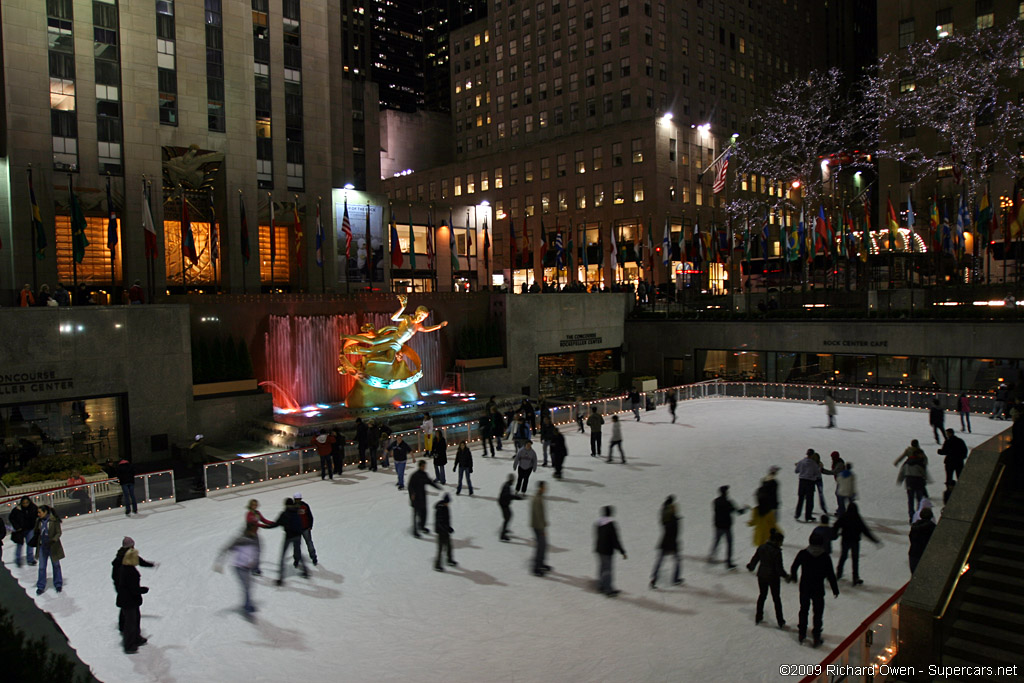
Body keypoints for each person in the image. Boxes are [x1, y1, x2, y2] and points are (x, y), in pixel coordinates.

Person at [789, 534, 840, 648]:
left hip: (805, 587)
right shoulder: (825, 557)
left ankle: (802, 634)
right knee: (817, 613)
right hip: (818, 588)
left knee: (804, 610)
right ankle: (816, 637)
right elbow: (830, 574)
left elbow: (794, 566)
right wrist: (835, 589)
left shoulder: (803, 553)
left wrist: (794, 576)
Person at [111, 537, 156, 633]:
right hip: (123, 584)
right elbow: (116, 574)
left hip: (122, 584)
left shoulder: (125, 554)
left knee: (126, 605)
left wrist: (150, 564)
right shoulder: (124, 556)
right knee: (128, 606)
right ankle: (128, 631)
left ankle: (123, 626)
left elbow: (139, 560)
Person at [747, 528, 788, 627]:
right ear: (777, 541)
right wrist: (786, 576)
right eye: (781, 542)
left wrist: (751, 566)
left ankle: (758, 616)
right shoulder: (777, 552)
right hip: (773, 577)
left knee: (762, 595)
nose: (781, 544)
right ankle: (780, 620)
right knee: (776, 599)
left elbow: (755, 559)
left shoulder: (762, 547)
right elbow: (779, 568)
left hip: (762, 575)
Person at [217, 524, 261, 617]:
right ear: (249, 531)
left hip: (247, 567)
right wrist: (219, 563)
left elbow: (257, 551)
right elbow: (226, 549)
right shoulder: (241, 540)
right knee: (246, 586)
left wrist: (255, 563)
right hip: (239, 567)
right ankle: (247, 606)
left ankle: (247, 604)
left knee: (248, 586)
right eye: (254, 530)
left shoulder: (255, 539)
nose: (256, 532)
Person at [833, 502, 880, 586]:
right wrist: (874, 540)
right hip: (855, 542)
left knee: (843, 557)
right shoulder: (857, 518)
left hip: (845, 540)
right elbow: (865, 530)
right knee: (855, 559)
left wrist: (834, 534)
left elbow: (836, 525)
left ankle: (838, 574)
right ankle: (855, 577)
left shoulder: (844, 516)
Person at [266, 498, 309, 585]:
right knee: (298, 553)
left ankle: (280, 578)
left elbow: (275, 524)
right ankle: (305, 571)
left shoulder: (285, 514)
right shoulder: (298, 511)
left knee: (282, 557)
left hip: (289, 537)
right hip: (297, 536)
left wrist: (263, 526)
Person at [118, 548, 149, 653]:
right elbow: (133, 589)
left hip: (130, 600)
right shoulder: (130, 572)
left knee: (135, 620)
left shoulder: (126, 568)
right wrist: (143, 590)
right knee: (130, 623)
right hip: (128, 601)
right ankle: (129, 645)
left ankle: (136, 638)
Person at [709, 485, 748, 569]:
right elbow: (738, 512)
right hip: (727, 526)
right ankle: (728, 562)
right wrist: (745, 509)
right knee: (729, 544)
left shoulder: (715, 501)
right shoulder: (728, 502)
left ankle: (712, 557)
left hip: (718, 525)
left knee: (716, 542)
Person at [650, 496, 682, 589]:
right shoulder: (673, 520)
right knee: (677, 561)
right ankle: (675, 579)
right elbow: (675, 532)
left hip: (664, 542)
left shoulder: (665, 517)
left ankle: (654, 579)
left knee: (660, 561)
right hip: (671, 543)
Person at [595, 506, 627, 596]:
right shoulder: (611, 525)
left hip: (599, 549)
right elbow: (615, 539)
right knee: (607, 570)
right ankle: (608, 589)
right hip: (607, 551)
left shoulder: (598, 523)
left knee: (602, 568)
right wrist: (622, 551)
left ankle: (601, 585)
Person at [895, 440, 929, 523]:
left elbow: (902, 470)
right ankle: (918, 515)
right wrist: (925, 479)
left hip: (909, 482)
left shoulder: (907, 462)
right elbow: (923, 472)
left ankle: (912, 515)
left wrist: (900, 479)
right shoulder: (920, 462)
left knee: (911, 500)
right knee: (919, 499)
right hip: (918, 482)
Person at [33, 505, 64, 595]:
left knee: (56, 565)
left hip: (53, 546)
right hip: (42, 547)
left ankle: (58, 583)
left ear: (45, 512)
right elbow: (36, 531)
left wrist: (53, 539)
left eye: (40, 512)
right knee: (42, 567)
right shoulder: (38, 521)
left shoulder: (54, 521)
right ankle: (41, 586)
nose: (38, 514)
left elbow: (58, 532)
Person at [409, 460, 442, 538]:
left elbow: (429, 482)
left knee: (424, 513)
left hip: (422, 497)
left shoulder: (424, 475)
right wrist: (412, 494)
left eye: (425, 466)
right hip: (416, 498)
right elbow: (410, 486)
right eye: (423, 466)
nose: (424, 468)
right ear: (420, 466)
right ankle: (415, 531)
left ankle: (422, 526)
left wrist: (437, 487)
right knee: (416, 515)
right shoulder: (415, 475)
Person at [750, 466, 780, 547]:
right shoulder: (774, 483)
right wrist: (776, 505)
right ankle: (772, 538)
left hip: (764, 506)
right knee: (772, 523)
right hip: (771, 506)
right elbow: (775, 495)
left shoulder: (763, 481)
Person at [244, 499, 273, 575]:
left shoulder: (257, 513)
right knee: (254, 551)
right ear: (250, 505)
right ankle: (253, 568)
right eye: (253, 505)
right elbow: (252, 524)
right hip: (249, 534)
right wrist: (263, 526)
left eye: (256, 505)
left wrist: (273, 523)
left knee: (257, 551)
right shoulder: (249, 514)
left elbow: (263, 520)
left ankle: (253, 567)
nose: (255, 506)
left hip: (255, 534)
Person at [10, 496, 38, 568]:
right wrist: (17, 527)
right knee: (19, 545)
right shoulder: (17, 510)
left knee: (30, 544)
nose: (25, 504)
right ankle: (18, 559)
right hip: (20, 530)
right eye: (24, 503)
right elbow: (11, 518)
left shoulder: (34, 508)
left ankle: (30, 559)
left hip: (30, 529)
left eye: (26, 503)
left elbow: (37, 516)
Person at [908, 507, 936, 573]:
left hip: (914, 553)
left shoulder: (915, 527)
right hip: (925, 555)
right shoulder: (933, 527)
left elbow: (911, 537)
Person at [531, 481, 550, 576]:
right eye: (544, 487)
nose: (545, 489)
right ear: (540, 488)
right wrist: (542, 529)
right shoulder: (537, 499)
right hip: (538, 527)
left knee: (543, 546)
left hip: (539, 526)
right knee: (541, 547)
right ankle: (536, 567)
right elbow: (538, 515)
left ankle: (541, 563)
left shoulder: (539, 497)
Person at [794, 449, 819, 522]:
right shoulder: (814, 464)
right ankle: (808, 516)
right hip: (810, 483)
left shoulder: (801, 462)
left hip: (802, 482)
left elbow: (796, 471)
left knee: (800, 498)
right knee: (809, 500)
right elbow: (817, 474)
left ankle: (797, 514)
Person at [434, 494, 456, 571]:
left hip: (445, 530)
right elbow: (440, 522)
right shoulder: (441, 509)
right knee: (440, 548)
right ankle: (437, 565)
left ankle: (449, 560)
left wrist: (448, 528)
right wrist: (447, 528)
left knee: (449, 546)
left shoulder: (445, 507)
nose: (448, 504)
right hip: (441, 531)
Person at [293, 492, 317, 566]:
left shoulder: (304, 506)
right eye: (296, 499)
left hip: (305, 528)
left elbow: (310, 516)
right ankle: (297, 559)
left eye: (298, 499)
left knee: (308, 542)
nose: (297, 501)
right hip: (298, 529)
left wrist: (310, 526)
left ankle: (313, 557)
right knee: (298, 545)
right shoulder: (294, 507)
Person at [498, 474, 515, 541]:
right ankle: (502, 534)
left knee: (508, 516)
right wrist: (516, 497)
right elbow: (508, 496)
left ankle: (505, 530)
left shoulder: (507, 485)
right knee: (507, 518)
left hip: (504, 503)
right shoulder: (507, 487)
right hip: (503, 504)